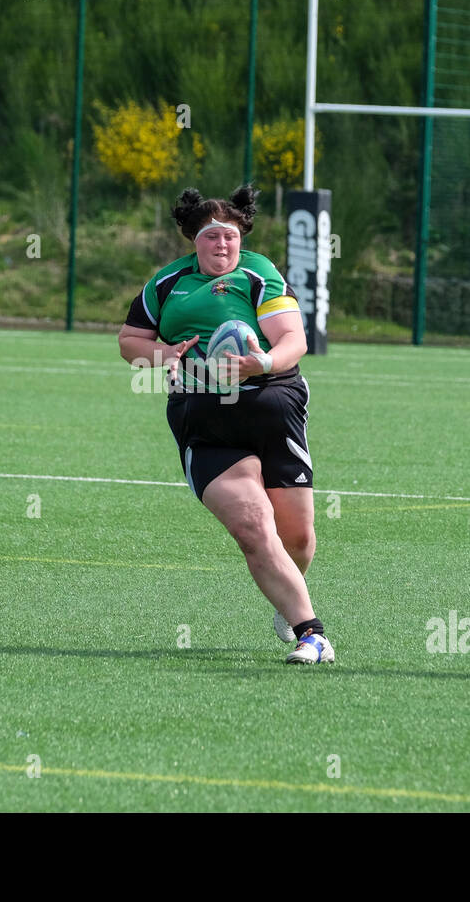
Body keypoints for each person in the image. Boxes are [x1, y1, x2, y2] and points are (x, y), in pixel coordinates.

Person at [118, 185, 333, 664]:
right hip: (205, 418)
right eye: (212, 236)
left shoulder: (260, 273)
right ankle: (311, 633)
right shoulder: (167, 283)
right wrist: (163, 354)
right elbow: (130, 341)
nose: (222, 244)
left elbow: (293, 339)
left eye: (230, 236)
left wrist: (263, 363)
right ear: (194, 239)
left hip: (272, 404)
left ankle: (290, 597)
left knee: (297, 537)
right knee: (255, 527)